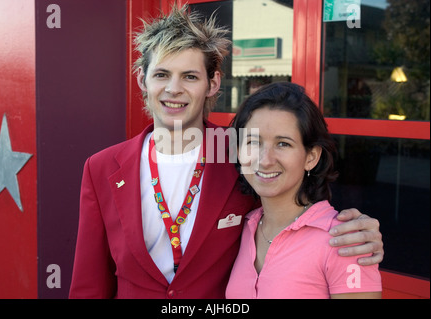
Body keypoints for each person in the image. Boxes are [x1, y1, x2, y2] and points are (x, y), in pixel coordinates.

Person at [69, 5, 383, 299]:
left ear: (213, 83)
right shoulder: (103, 167)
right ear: (143, 80)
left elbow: (294, 201)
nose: (174, 89)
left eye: (190, 76)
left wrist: (358, 232)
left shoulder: (239, 152)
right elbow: (90, 281)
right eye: (162, 74)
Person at [226, 82, 382, 298]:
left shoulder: (344, 240)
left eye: (283, 144)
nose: (265, 160)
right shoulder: (243, 227)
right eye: (253, 142)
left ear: (311, 157)